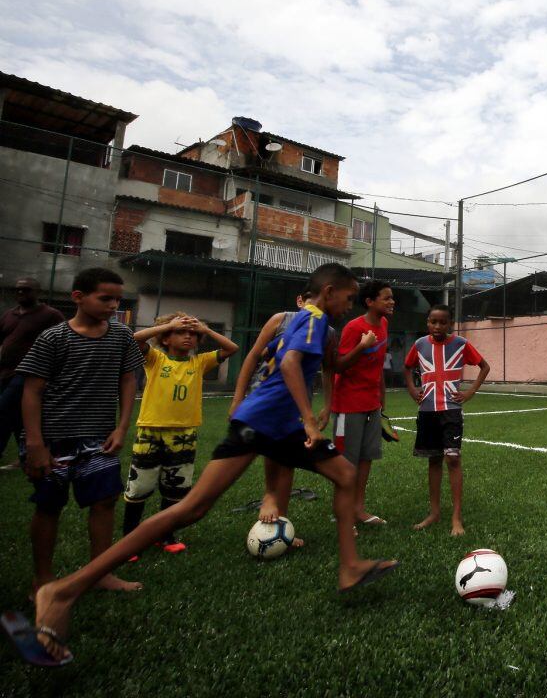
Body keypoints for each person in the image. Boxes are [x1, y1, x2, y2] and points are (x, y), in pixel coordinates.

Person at [13, 264, 398, 666]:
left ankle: (350, 566)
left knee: (345, 474)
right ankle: (62, 591)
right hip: (261, 422)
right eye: (349, 298)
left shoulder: (308, 319)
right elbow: (288, 365)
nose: (350, 305)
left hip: (278, 424)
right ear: (330, 291)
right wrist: (308, 419)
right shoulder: (315, 318)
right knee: (192, 509)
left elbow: (310, 364)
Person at [17, 268, 144, 601]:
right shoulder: (53, 338)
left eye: (117, 299)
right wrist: (35, 443)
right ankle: (43, 580)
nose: (113, 305)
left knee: (105, 501)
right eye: (105, 298)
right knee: (49, 506)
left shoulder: (122, 335)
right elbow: (32, 390)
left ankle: (100, 574)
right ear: (78, 297)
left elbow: (128, 379)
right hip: (53, 439)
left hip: (99, 438)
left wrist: (121, 427)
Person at [230, 289, 367, 547]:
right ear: (300, 301)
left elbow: (329, 369)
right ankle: (270, 497)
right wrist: (238, 398)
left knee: (287, 461)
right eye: (306, 302)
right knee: (268, 458)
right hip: (265, 400)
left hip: (296, 405)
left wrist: (327, 406)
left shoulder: (327, 331)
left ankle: (280, 522)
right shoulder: (281, 319)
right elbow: (254, 355)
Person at [123, 312, 239, 554]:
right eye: (180, 332)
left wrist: (206, 330)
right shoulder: (155, 358)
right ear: (166, 338)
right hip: (150, 432)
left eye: (193, 334)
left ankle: (166, 536)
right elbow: (134, 339)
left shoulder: (200, 362)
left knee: (175, 489)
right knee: (139, 488)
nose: (188, 337)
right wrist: (167, 325)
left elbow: (232, 348)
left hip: (184, 434)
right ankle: (129, 539)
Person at [405, 304, 490, 536]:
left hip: (451, 410)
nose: (437, 326)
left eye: (443, 322)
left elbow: (484, 366)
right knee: (433, 460)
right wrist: (412, 389)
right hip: (427, 410)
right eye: (433, 321)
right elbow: (407, 367)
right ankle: (434, 513)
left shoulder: (460, 344)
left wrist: (470, 392)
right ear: (427, 323)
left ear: (450, 324)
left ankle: (456, 518)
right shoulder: (419, 344)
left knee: (452, 459)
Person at [331, 280, 393, 525]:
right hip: (348, 405)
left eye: (392, 298)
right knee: (345, 462)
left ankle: (358, 509)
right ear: (369, 302)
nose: (392, 302)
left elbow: (378, 365)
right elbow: (338, 366)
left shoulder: (384, 323)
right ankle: (343, 514)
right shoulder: (353, 327)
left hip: (371, 404)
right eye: (386, 298)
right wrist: (361, 346)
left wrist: (381, 398)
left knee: (366, 458)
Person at [0, 278, 64, 470]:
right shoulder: (9, 315)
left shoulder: (50, 315)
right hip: (5, 372)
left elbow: (63, 340)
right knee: (18, 417)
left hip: (29, 373)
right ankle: (25, 456)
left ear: (38, 292)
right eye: (18, 290)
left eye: (26, 290)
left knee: (3, 409)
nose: (21, 293)